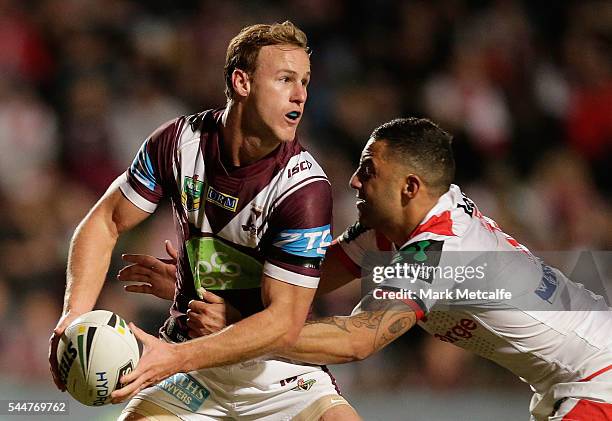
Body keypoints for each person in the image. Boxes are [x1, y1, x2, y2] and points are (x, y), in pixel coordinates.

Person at [126, 118, 612, 420]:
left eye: (368, 169)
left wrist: (236, 323)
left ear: (409, 187)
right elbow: (303, 282)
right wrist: (196, 284)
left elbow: (357, 340)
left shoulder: (438, 250)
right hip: (568, 382)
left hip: (598, 379)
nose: (354, 180)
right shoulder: (391, 230)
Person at [49, 21, 360, 421]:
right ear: (242, 82)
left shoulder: (304, 188)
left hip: (278, 374)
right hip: (193, 375)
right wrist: (73, 316)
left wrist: (175, 357)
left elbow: (283, 323)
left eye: (304, 82)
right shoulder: (179, 143)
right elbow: (104, 221)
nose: (300, 94)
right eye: (285, 79)